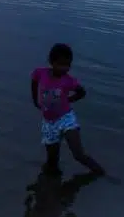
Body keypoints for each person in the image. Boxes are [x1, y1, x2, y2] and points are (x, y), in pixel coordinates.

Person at [30, 43, 105, 176]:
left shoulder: (68, 80)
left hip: (66, 118)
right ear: (51, 62)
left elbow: (82, 92)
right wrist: (35, 99)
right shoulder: (41, 73)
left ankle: (101, 173)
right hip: (49, 123)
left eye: (68, 65)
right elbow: (34, 81)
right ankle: (52, 185)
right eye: (61, 64)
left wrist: (69, 100)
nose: (65, 68)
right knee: (52, 161)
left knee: (78, 154)